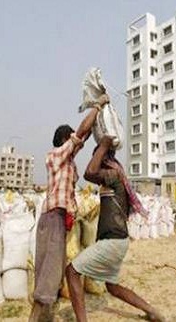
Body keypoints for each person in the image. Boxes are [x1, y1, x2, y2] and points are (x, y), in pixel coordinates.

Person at [65, 136, 165, 322]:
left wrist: (102, 146)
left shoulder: (113, 175)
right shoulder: (111, 179)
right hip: (116, 240)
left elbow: (89, 172)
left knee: (71, 271)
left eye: (97, 157)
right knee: (112, 287)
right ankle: (152, 312)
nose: (94, 161)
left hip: (113, 241)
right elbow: (86, 175)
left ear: (104, 159)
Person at [29, 94, 110, 322]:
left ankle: (41, 315)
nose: (80, 143)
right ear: (65, 138)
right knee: (50, 271)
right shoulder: (55, 156)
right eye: (72, 137)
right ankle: (36, 317)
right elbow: (82, 133)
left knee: (50, 269)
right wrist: (98, 105)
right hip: (52, 217)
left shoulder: (69, 163)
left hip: (59, 219)